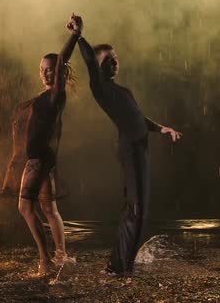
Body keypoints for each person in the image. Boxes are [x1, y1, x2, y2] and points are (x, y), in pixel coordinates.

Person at [77, 33, 182, 276]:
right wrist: (79, 36)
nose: (113, 64)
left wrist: (161, 128)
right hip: (130, 148)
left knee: (138, 209)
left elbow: (138, 118)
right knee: (136, 209)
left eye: (115, 60)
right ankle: (118, 266)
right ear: (98, 66)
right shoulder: (100, 87)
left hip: (140, 148)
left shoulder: (123, 91)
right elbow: (90, 62)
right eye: (107, 61)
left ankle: (120, 262)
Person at [0, 14, 82, 276]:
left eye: (51, 69)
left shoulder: (56, 94)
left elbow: (61, 62)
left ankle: (45, 261)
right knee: (48, 208)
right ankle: (61, 256)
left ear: (59, 72)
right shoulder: (43, 97)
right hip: (43, 158)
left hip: (40, 160)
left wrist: (75, 35)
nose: (46, 72)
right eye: (42, 68)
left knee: (25, 207)